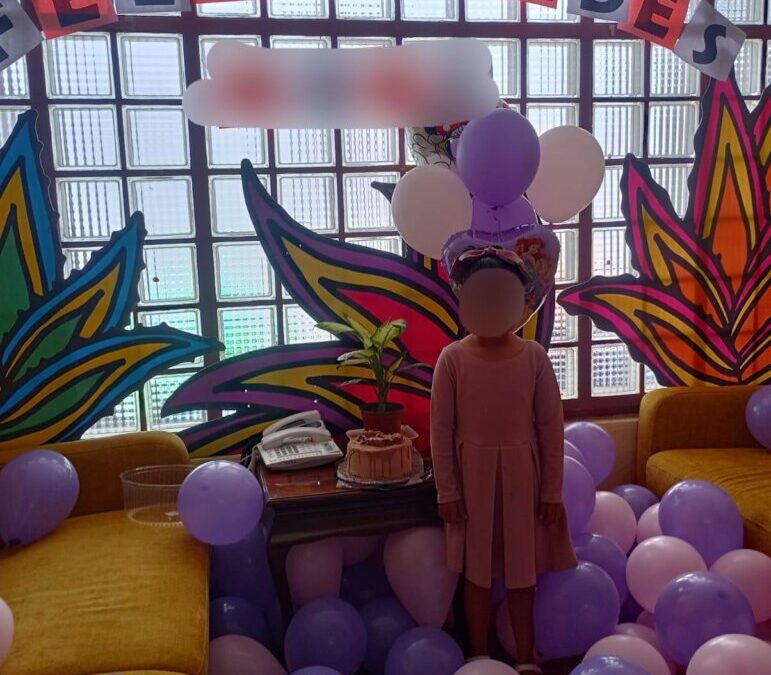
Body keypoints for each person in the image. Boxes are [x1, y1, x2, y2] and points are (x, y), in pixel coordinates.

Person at [431, 227, 576, 674]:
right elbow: (441, 429)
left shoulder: (533, 357)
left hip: (522, 478)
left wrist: (551, 490)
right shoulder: (452, 359)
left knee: (521, 572)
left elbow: (551, 427)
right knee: (476, 573)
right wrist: (447, 491)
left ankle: (526, 658)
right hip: (471, 478)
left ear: (519, 301)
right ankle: (479, 654)